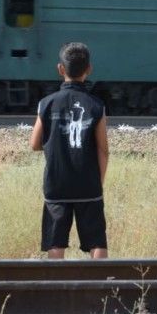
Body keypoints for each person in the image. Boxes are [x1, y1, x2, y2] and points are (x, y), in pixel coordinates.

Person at [29, 42, 110, 259]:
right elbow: (103, 150)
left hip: (56, 183)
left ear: (60, 69)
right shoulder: (96, 105)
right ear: (89, 69)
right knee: (97, 241)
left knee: (56, 242)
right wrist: (98, 182)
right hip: (88, 183)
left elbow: (34, 144)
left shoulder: (46, 103)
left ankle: (58, 285)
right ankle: (101, 285)